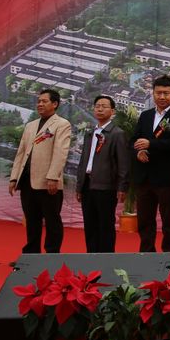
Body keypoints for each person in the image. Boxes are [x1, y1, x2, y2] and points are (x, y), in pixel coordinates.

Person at [8, 89, 73, 254]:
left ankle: (52, 254)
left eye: (44, 101)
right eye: (38, 101)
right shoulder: (30, 125)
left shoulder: (62, 124)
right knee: (32, 220)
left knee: (52, 221)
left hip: (48, 182)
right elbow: (21, 152)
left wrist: (52, 177)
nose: (40, 104)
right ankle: (31, 254)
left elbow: (60, 152)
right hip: (28, 181)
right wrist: (14, 178)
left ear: (55, 104)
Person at [131, 75, 170, 254]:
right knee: (145, 221)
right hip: (144, 177)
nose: (162, 97)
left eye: (166, 93)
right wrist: (138, 151)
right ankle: (147, 255)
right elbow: (134, 139)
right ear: (153, 93)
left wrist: (150, 144)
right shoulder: (146, 115)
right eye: (158, 93)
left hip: (165, 178)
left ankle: (168, 259)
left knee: (168, 222)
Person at [76, 95, 133, 252]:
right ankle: (92, 258)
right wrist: (79, 186)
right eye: (97, 106)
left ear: (112, 111)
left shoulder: (117, 134)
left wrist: (122, 187)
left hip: (106, 187)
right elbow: (83, 162)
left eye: (104, 106)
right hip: (88, 185)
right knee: (90, 225)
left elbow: (123, 163)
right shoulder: (90, 133)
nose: (100, 109)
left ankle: (106, 260)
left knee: (105, 225)